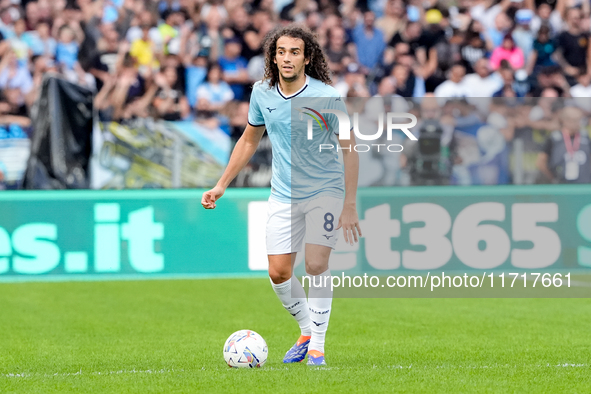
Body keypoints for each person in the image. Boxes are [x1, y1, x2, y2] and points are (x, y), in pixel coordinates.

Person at [201, 25, 361, 366]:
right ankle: (306, 330)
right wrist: (221, 184)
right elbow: (248, 139)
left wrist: (349, 204)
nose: (287, 58)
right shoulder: (262, 93)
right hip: (284, 193)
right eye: (282, 52)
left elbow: (350, 149)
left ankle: (317, 347)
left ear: (307, 58)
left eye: (295, 52)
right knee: (278, 273)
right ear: (273, 57)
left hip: (325, 191)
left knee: (317, 264)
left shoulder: (326, 96)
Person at [537, 106, 591, 183]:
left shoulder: (585, 137)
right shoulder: (554, 138)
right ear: (565, 121)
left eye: (580, 120)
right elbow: (541, 162)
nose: (578, 123)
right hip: (562, 184)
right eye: (575, 120)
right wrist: (553, 177)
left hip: (583, 183)